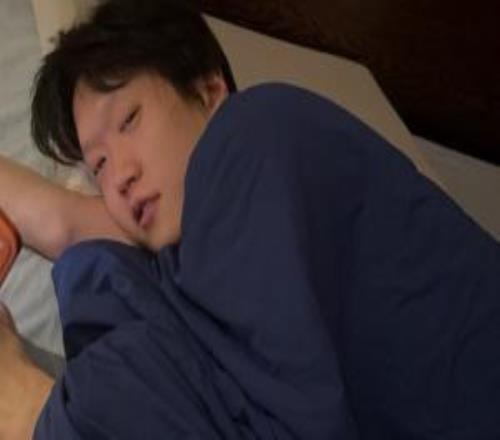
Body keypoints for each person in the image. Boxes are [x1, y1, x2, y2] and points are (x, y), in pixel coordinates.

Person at [2, 0, 500, 438]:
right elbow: (69, 226)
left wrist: (30, 407)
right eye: (99, 166)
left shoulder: (255, 133)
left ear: (208, 89)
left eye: (129, 120)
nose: (120, 178)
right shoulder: (184, 260)